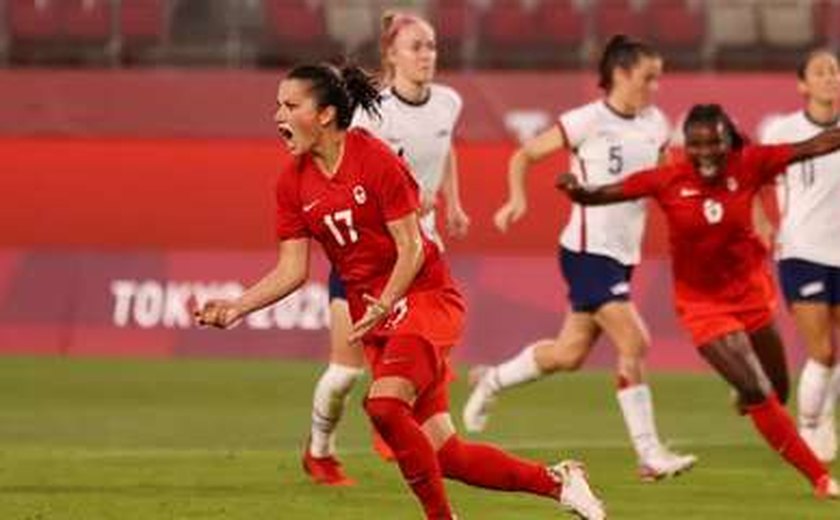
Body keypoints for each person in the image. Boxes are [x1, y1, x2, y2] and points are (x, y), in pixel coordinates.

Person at [194, 63, 605, 520]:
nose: (278, 116)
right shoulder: (291, 183)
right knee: (445, 453)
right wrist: (236, 307)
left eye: (290, 106)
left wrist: (385, 301)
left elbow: (411, 248)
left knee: (385, 405)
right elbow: (292, 270)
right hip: (376, 315)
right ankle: (558, 481)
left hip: (424, 297)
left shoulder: (375, 159)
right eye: (278, 106)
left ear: (326, 114)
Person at [556, 103, 840, 498]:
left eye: (715, 143)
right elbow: (605, 194)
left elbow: (816, 143)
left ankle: (748, 392)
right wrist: (576, 190)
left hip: (752, 296)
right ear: (684, 146)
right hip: (702, 307)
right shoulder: (668, 179)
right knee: (758, 391)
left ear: (730, 141)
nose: (706, 152)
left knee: (776, 389)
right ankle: (821, 480)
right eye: (696, 145)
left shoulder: (752, 163)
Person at [462, 34, 696, 480]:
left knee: (569, 354)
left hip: (622, 256)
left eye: (658, 79)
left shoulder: (656, 123)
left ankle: (492, 379)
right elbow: (525, 154)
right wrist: (516, 201)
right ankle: (649, 455)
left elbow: (666, 180)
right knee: (636, 342)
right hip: (587, 252)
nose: (655, 87)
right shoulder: (586, 120)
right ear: (621, 74)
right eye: (649, 77)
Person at [302, 11, 470, 486]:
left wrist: (452, 201)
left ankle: (408, 431)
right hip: (366, 257)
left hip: (418, 253)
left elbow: (444, 146)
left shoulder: (449, 103)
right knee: (343, 372)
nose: (427, 55)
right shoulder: (372, 111)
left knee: (425, 354)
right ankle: (319, 449)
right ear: (391, 54)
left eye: (432, 46)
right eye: (416, 46)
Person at [760, 48, 840, 464]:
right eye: (820, 72)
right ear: (802, 85)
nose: (830, 78)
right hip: (802, 250)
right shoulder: (783, 131)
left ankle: (824, 411)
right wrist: (759, 221)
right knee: (822, 350)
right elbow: (753, 177)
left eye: (834, 71)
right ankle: (810, 424)